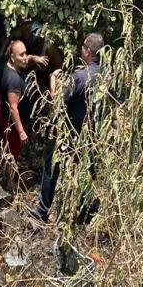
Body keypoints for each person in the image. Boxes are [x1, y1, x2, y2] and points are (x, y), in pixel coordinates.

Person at [30, 32, 104, 222]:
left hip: (71, 132)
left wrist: (54, 79)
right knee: (87, 170)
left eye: (83, 47)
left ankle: (43, 210)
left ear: (88, 51)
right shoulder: (104, 74)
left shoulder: (79, 77)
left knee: (52, 166)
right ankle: (84, 213)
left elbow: (57, 103)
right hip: (92, 134)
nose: (81, 49)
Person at [0, 40, 31, 160]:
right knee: (12, 152)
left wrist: (35, 58)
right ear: (12, 57)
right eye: (21, 55)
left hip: (7, 119)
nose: (25, 58)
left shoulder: (9, 66)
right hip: (12, 124)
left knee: (10, 149)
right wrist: (21, 132)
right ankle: (10, 177)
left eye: (25, 54)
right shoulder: (13, 80)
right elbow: (13, 108)